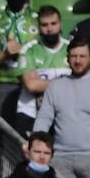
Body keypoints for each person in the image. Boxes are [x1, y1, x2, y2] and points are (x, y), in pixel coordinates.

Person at [33, 38, 90, 178]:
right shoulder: (55, 87)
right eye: (73, 56)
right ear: (67, 59)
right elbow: (44, 118)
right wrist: (36, 146)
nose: (77, 61)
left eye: (82, 56)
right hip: (60, 158)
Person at [13, 8, 71, 138]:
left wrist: (41, 82)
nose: (49, 29)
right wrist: (65, 82)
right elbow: (31, 86)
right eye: (44, 25)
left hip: (63, 114)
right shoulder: (28, 50)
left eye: (53, 24)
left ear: (60, 24)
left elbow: (79, 84)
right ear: (38, 27)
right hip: (30, 113)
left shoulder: (71, 49)